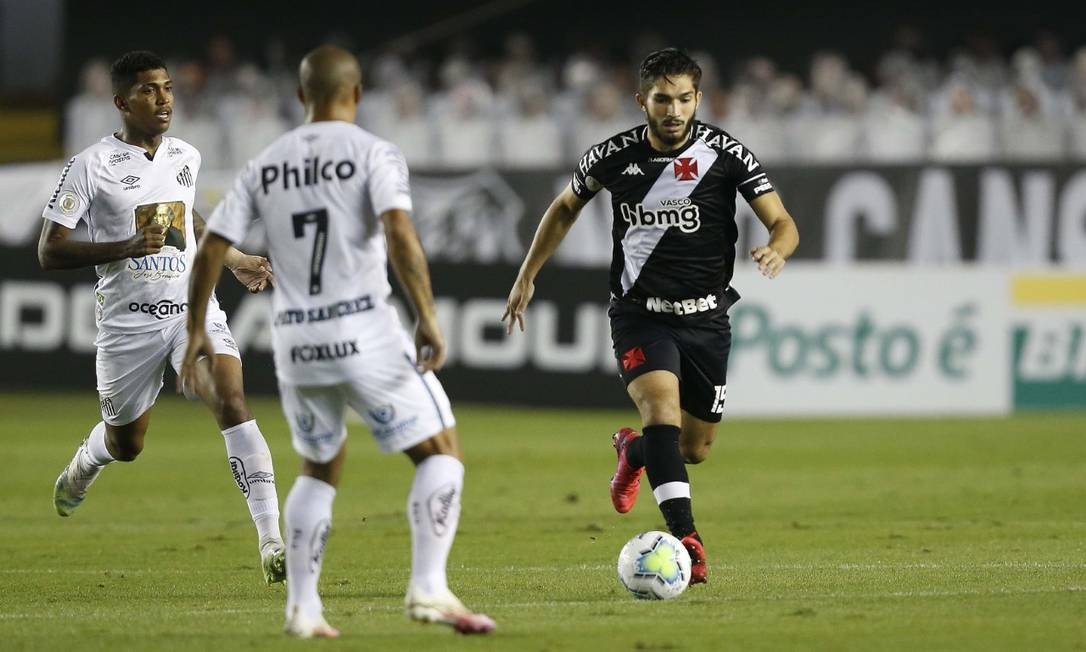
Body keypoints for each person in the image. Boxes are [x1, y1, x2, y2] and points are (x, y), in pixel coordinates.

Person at [180, 44, 495, 639]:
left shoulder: (263, 164)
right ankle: (428, 588)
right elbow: (400, 234)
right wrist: (426, 314)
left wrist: (197, 326)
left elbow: (211, 249)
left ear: (301, 96)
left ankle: (303, 607)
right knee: (441, 453)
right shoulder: (374, 152)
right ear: (356, 95)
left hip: (297, 342)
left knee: (319, 466)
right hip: (364, 328)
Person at [502, 48, 800, 585]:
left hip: (707, 319)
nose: (674, 110)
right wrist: (528, 275)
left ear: (698, 100)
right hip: (641, 315)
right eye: (663, 99)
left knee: (693, 448)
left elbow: (783, 221)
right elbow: (565, 206)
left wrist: (778, 247)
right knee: (660, 409)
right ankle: (688, 538)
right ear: (642, 100)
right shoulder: (613, 156)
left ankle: (633, 451)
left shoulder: (726, 153)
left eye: (685, 99)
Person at [40, 50, 286, 585]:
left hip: (189, 310)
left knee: (231, 397)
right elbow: (50, 250)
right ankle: (85, 465)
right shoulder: (90, 165)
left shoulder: (185, 156)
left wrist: (236, 259)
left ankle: (271, 541)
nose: (164, 99)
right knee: (126, 445)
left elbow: (185, 213)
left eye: (168, 88)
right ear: (121, 102)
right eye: (150, 90)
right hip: (126, 326)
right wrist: (127, 245)